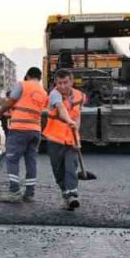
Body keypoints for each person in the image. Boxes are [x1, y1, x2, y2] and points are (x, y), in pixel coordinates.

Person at [0, 67, 49, 202]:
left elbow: (11, 101)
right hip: (35, 130)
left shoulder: (23, 85)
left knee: (12, 159)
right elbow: (31, 109)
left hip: (20, 129)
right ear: (39, 78)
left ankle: (14, 191)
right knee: (31, 161)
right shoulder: (43, 92)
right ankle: (29, 192)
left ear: (27, 75)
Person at [43, 69, 85, 210]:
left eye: (65, 82)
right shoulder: (54, 94)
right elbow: (61, 108)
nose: (62, 86)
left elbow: (78, 115)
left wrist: (76, 130)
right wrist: (69, 120)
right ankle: (65, 193)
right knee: (58, 170)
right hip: (56, 139)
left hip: (71, 139)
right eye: (59, 83)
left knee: (71, 167)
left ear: (71, 81)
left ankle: (72, 194)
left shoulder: (79, 96)